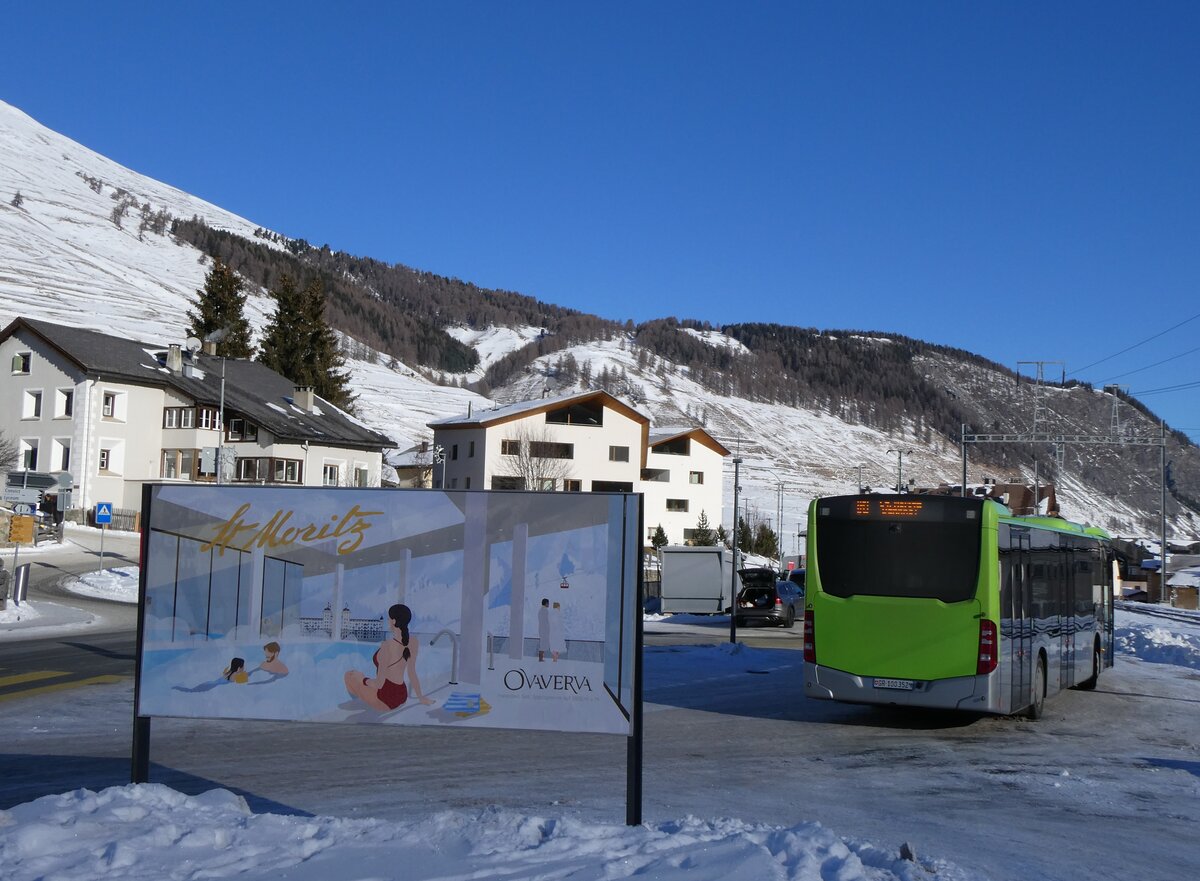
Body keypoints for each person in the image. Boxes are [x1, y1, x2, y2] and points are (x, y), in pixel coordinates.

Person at [343, 604, 435, 711]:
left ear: (394, 621)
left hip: (385, 699)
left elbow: (379, 684)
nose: (387, 621)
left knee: (348, 676)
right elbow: (412, 672)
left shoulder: (387, 646)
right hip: (401, 695)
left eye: (388, 618)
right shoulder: (414, 642)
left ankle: (360, 703)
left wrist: (362, 679)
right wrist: (421, 697)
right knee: (357, 679)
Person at [537, 597, 550, 662]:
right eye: (548, 603)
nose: (548, 604)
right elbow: (547, 621)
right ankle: (541, 658)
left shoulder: (540, 610)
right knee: (543, 644)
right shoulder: (545, 611)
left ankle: (541, 658)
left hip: (541, 629)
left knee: (542, 643)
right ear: (546, 603)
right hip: (544, 630)